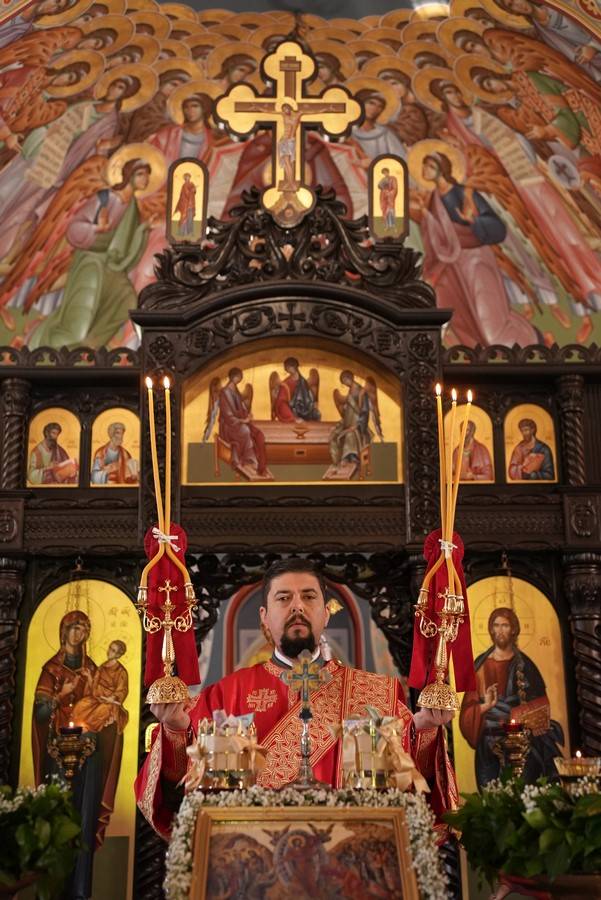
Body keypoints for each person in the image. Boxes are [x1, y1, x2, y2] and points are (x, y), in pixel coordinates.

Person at [136, 559, 457, 839]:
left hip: (350, 860)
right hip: (253, 862)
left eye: (309, 596)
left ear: (326, 613)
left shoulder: (375, 693)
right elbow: (181, 795)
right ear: (264, 616)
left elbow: (414, 789)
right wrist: (175, 728)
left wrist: (426, 729)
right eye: (284, 598)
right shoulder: (224, 695)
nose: (297, 607)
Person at [32, 611, 124, 898]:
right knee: (58, 817)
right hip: (57, 754)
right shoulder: (51, 670)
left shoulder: (93, 669)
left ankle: (81, 890)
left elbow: (105, 699)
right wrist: (61, 695)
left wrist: (112, 714)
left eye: (83, 629)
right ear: (63, 631)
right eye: (74, 628)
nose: (78, 633)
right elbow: (40, 713)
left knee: (85, 817)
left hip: (89, 753)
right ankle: (54, 891)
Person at [459, 607, 564, 786]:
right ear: (491, 629)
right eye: (496, 625)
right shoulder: (480, 666)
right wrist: (486, 706)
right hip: (488, 746)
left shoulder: (526, 665)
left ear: (513, 629)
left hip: (521, 744)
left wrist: (517, 714)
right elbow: (466, 715)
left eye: (505, 625)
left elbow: (541, 704)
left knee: (524, 793)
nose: (500, 630)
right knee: (491, 797)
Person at [218, 367, 271, 480]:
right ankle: (246, 459)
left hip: (239, 423)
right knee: (245, 431)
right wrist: (243, 421)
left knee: (259, 434)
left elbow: (241, 408)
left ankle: (258, 465)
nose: (240, 378)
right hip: (228, 426)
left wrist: (247, 415)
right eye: (239, 376)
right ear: (234, 377)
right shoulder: (224, 393)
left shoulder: (235, 390)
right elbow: (227, 416)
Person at [72, 640, 129, 734]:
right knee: (81, 705)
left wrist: (113, 697)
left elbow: (122, 690)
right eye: (110, 648)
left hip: (110, 702)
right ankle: (76, 727)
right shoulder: (102, 667)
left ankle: (86, 728)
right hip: (98, 698)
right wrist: (89, 676)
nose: (109, 651)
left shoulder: (121, 671)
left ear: (118, 655)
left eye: (113, 650)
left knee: (103, 710)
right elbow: (94, 686)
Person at [272, 357, 320, 422]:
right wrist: (293, 418)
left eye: (287, 367)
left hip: (306, 414)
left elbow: (309, 400)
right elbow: (281, 404)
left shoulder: (303, 382)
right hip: (291, 415)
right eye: (286, 368)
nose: (286, 369)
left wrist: (312, 406)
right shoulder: (285, 385)